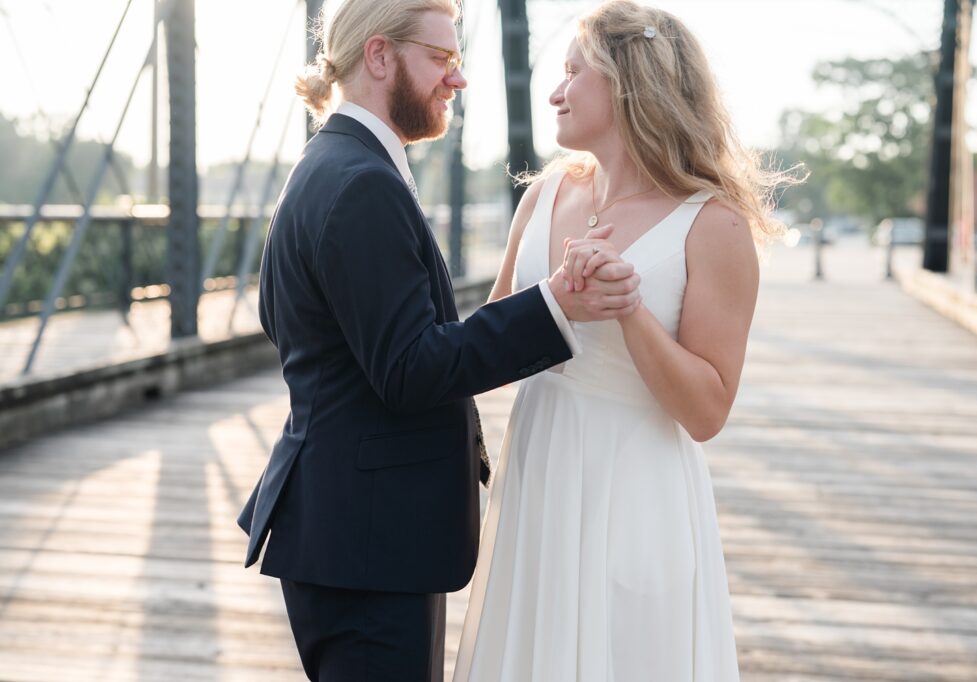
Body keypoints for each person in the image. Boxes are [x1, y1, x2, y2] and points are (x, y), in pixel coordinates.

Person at [235, 1, 643, 680]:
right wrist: (556, 305)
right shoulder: (363, 183)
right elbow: (410, 369)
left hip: (348, 529)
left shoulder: (325, 165)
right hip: (369, 542)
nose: (456, 80)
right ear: (378, 56)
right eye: (442, 59)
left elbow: (288, 322)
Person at [453, 1, 793, 679]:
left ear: (628, 82)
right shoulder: (543, 196)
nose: (554, 91)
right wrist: (556, 298)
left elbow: (706, 412)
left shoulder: (713, 225)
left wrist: (627, 308)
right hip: (537, 482)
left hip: (635, 495)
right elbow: (479, 360)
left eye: (573, 72)